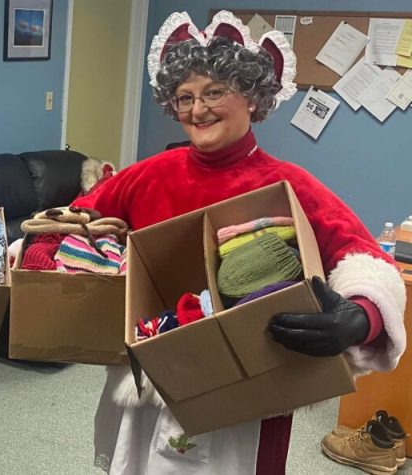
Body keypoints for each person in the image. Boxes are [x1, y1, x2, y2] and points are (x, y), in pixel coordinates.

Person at [75, 11, 407, 475]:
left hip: (254, 380)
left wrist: (362, 316)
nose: (197, 110)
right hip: (156, 370)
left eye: (214, 92)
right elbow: (76, 223)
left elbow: (365, 258)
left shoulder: (289, 183)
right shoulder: (145, 176)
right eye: (184, 97)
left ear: (251, 98)